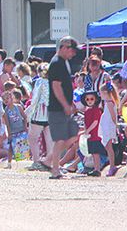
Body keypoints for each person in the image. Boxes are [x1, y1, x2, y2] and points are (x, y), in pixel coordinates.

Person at [46, 36, 80, 180]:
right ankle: (55, 169)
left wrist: (70, 103)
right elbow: (56, 86)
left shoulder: (63, 62)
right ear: (64, 47)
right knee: (61, 138)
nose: (73, 54)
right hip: (57, 108)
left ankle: (50, 160)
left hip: (64, 107)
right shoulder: (56, 63)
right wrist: (65, 105)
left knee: (73, 134)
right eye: (72, 50)